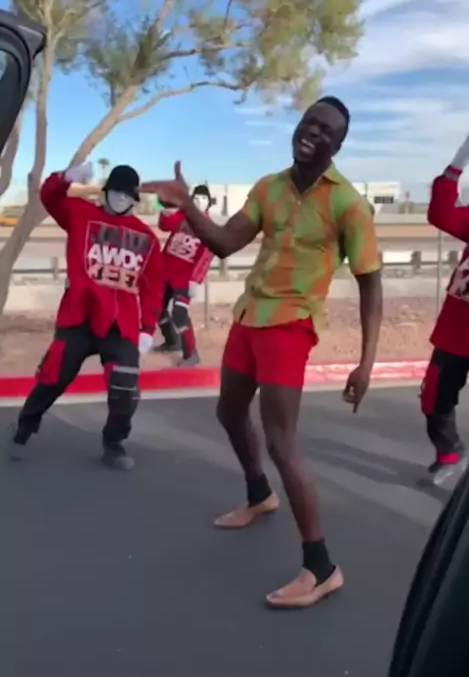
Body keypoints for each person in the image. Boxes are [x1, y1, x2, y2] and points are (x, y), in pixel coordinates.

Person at [141, 95, 383, 609]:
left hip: (291, 326)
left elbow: (371, 284)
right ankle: (259, 495)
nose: (312, 132)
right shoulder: (268, 187)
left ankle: (322, 568)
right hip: (250, 315)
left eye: (326, 131)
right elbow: (225, 242)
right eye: (309, 122)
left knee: (281, 443)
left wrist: (366, 363)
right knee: (229, 412)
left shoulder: (348, 205)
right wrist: (187, 206)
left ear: (338, 146)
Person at [9, 163, 164, 471]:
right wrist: (65, 178)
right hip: (78, 317)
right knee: (53, 377)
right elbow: (49, 196)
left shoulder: (146, 237)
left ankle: (114, 444)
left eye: (126, 194)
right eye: (115, 191)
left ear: (134, 198)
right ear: (106, 192)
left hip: (120, 325)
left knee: (125, 387)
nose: (120, 198)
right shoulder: (80, 214)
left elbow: (154, 286)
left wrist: (147, 328)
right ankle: (24, 427)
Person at [421, 133, 469, 486]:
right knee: (433, 398)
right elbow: (441, 214)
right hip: (455, 334)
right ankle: (449, 453)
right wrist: (454, 170)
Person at [155, 184, 214, 366]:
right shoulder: (183, 216)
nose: (199, 202)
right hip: (166, 272)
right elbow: (165, 225)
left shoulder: (209, 227)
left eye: (203, 199)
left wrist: (195, 280)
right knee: (157, 308)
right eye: (196, 198)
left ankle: (191, 353)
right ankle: (172, 341)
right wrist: (167, 208)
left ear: (209, 203)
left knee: (179, 314)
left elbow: (206, 256)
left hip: (185, 279)